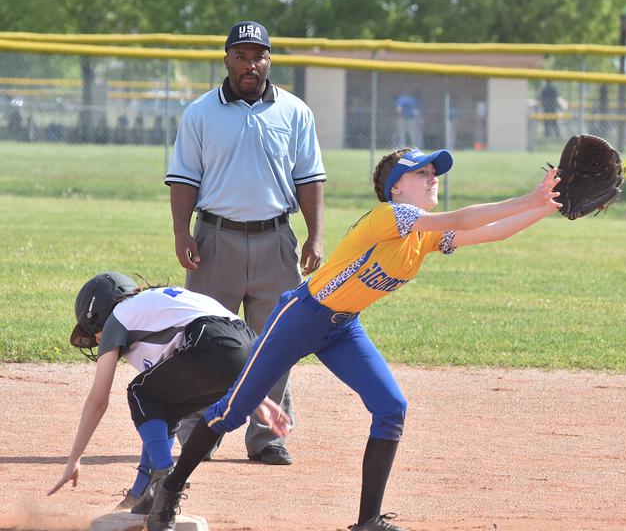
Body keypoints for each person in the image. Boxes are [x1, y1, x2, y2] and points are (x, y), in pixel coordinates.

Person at [142, 148, 563, 531]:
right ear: (396, 186)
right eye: (423, 172)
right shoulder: (389, 216)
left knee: (391, 407)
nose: (434, 177)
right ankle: (170, 488)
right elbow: (461, 219)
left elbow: (493, 232)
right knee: (232, 411)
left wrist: (548, 205)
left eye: (435, 172)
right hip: (301, 316)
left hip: (342, 326)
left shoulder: (423, 235)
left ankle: (368, 521)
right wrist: (529, 197)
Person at [165, 20, 326, 466]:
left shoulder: (295, 111)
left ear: (270, 60)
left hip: (276, 239)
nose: (249, 64)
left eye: (258, 55)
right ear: (226, 60)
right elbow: (183, 180)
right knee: (204, 340)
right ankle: (198, 432)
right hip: (215, 237)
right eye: (240, 55)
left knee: (276, 342)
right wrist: (182, 232)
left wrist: (315, 235)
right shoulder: (200, 112)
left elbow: (310, 178)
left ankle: (267, 437)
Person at [47, 272, 290, 512]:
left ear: (99, 314)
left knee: (139, 392)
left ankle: (165, 476)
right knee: (163, 408)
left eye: (94, 333)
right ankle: (143, 494)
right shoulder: (153, 310)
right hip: (249, 345)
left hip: (211, 340)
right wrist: (259, 397)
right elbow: (234, 347)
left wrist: (74, 458)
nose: (98, 340)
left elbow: (98, 400)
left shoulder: (117, 318)